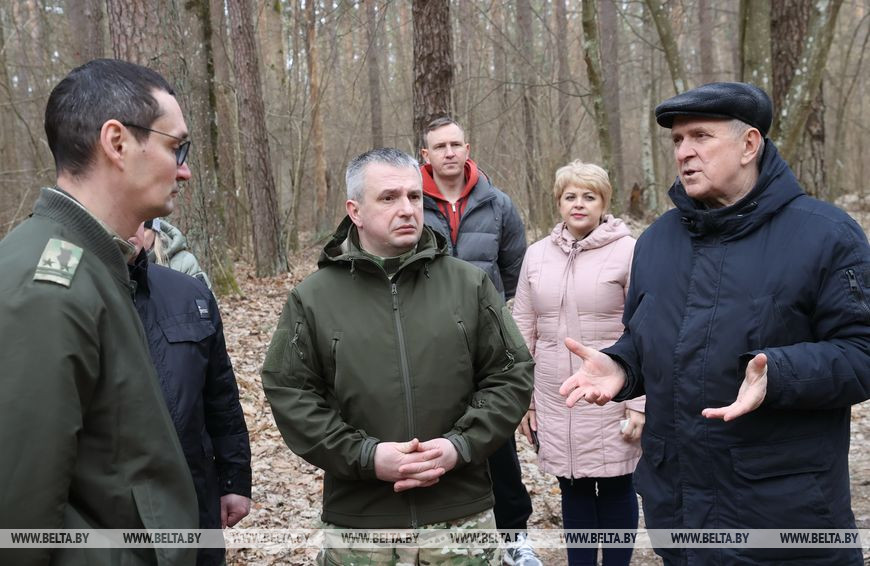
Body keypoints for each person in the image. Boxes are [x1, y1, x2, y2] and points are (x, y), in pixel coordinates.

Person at [560, 82, 870, 565]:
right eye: (677, 141)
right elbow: (648, 339)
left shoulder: (825, 235)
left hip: (783, 520)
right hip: (678, 512)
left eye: (700, 137)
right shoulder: (658, 241)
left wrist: (779, 374)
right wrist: (623, 366)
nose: (684, 152)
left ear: (749, 144)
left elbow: (862, 352)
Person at [262, 147, 534, 565]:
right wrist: (367, 456)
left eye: (414, 197)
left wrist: (458, 445)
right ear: (355, 210)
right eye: (388, 198)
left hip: (460, 520)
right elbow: (291, 393)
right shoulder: (313, 298)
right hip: (361, 527)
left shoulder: (469, 286)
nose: (407, 209)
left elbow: (510, 375)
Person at [0, 59, 199, 565]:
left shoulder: (94, 261)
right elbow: (21, 521)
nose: (185, 169)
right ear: (117, 143)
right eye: (177, 147)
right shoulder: (50, 284)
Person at [420, 117, 539, 565]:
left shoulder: (498, 204)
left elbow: (515, 272)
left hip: (483, 340)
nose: (449, 152)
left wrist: (486, 313)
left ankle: (513, 536)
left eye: (456, 144)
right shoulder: (412, 202)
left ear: (467, 148)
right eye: (439, 146)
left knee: (497, 438)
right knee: (433, 432)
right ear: (425, 156)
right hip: (424, 340)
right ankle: (444, 532)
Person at [513, 161, 643, 566]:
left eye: (589, 196)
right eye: (571, 196)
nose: (579, 204)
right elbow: (521, 331)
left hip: (613, 394)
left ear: (604, 202)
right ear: (558, 203)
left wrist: (640, 403)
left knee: (618, 484)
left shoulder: (630, 251)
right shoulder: (536, 256)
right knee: (573, 488)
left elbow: (648, 330)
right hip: (555, 395)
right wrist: (525, 400)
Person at [128, 222, 252, 566]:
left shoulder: (189, 293)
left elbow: (221, 397)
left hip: (196, 500)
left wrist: (234, 480)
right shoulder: (63, 297)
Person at [144, 217, 212, 288]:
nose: (138, 234)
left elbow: (204, 297)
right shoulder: (131, 267)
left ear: (155, 230)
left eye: (143, 229)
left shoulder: (184, 262)